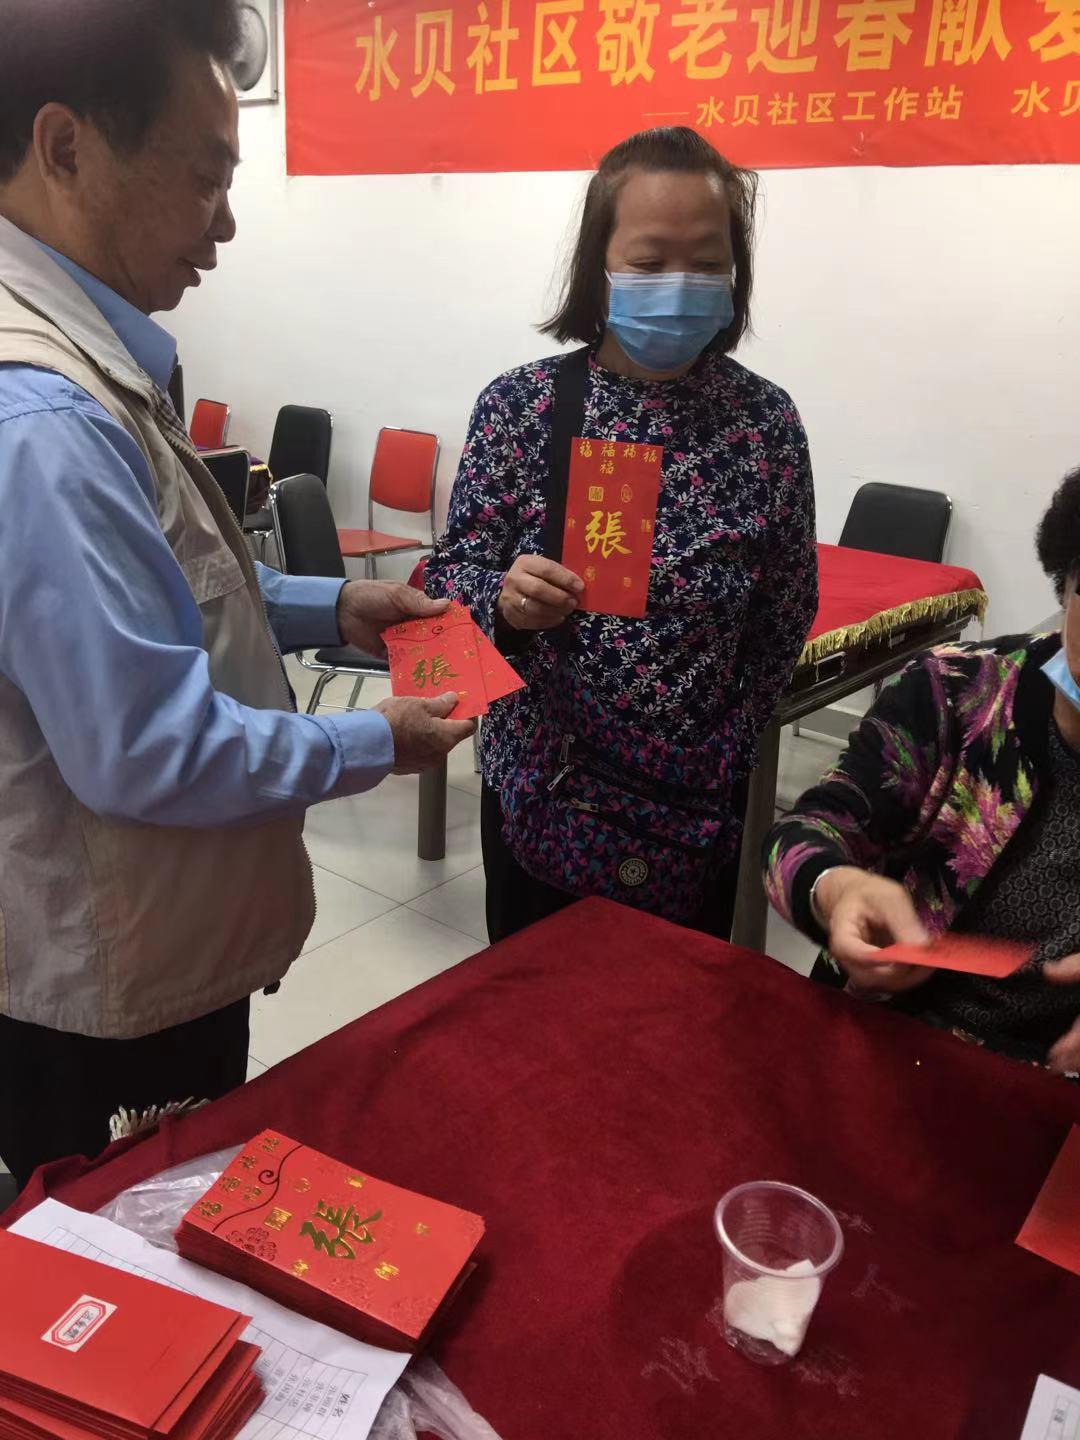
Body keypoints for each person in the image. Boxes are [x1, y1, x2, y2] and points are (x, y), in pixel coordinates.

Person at [0, 0, 474, 1189]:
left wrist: (333, 609)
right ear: (66, 147)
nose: (224, 222)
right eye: (206, 176)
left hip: (133, 938)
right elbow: (144, 751)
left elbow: (167, 576)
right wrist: (373, 740)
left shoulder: (85, 364)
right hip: (107, 989)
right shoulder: (45, 418)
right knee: (126, 1250)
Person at [427, 127, 818, 943]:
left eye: (706, 262)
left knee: (674, 1011)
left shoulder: (764, 422)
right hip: (547, 795)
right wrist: (504, 602)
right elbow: (439, 596)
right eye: (649, 261)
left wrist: (727, 739)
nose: (680, 286)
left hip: (693, 808)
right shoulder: (522, 408)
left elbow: (785, 610)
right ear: (598, 267)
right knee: (534, 1005)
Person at [763, 470, 1080, 1073]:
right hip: (888, 1031)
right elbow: (804, 833)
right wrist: (836, 889)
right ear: (1065, 584)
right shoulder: (957, 693)